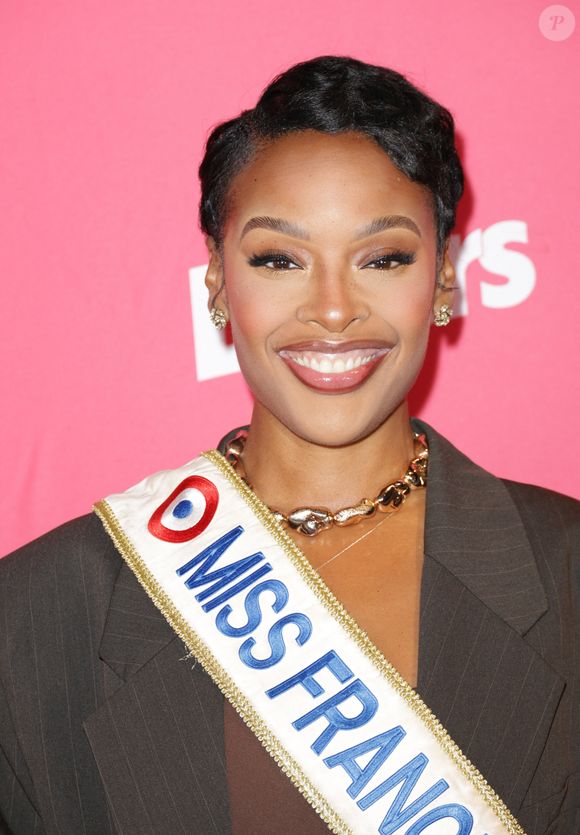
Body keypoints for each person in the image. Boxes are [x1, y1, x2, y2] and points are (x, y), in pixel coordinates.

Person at [0, 55, 578, 835]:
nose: (333, 310)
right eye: (279, 258)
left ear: (443, 279)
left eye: (384, 258)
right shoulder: (35, 613)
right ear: (215, 282)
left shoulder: (566, 571)